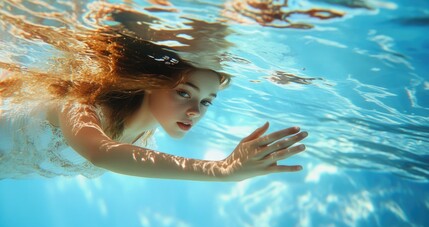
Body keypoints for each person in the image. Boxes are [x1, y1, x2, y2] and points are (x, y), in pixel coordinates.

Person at [0, 5, 308, 181]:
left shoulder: (145, 136)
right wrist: (220, 170)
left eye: (206, 102)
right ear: (151, 81)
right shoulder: (82, 103)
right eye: (185, 93)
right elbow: (100, 153)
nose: (196, 112)